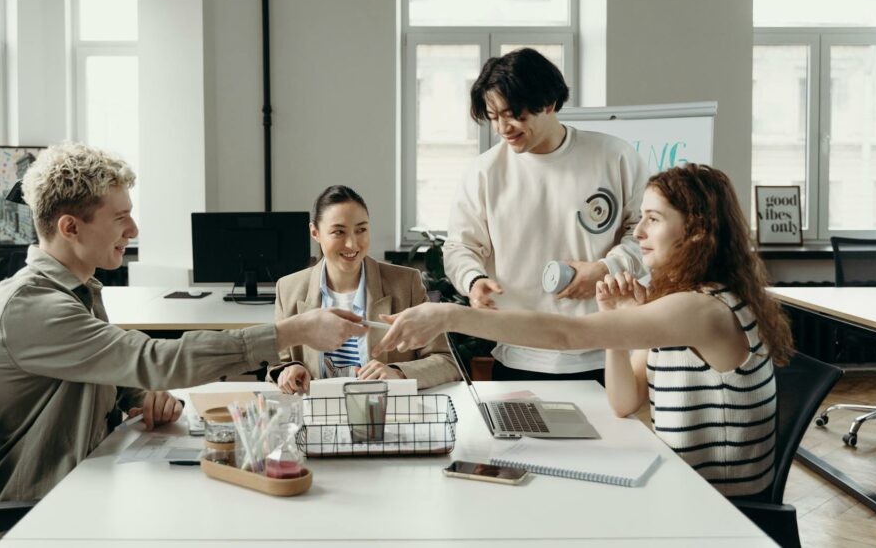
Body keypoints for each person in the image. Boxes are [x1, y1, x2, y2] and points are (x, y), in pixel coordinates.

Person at [0, 144, 366, 504]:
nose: (134, 230)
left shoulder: (79, 289)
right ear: (70, 228)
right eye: (120, 218)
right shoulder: (31, 307)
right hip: (38, 508)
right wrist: (292, 331)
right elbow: (153, 359)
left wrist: (138, 398)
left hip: (89, 477)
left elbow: (107, 370)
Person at [376, 164, 795, 497]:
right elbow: (624, 403)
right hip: (687, 490)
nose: (639, 233)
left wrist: (449, 315)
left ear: (697, 232)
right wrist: (618, 325)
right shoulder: (686, 302)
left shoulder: (703, 308)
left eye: (653, 219)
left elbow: (566, 335)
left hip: (716, 509)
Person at [444, 48, 648, 385]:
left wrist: (605, 269)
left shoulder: (615, 157)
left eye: (513, 115)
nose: (503, 127)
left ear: (549, 103)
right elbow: (459, 247)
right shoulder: (484, 172)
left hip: (603, 351)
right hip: (519, 353)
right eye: (494, 116)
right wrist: (473, 281)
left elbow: (645, 235)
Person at [267, 185, 458, 393]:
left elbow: (446, 361)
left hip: (385, 415)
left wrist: (399, 373)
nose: (352, 243)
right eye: (338, 232)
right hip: (317, 417)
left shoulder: (406, 283)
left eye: (361, 230)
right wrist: (289, 370)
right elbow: (277, 364)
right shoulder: (288, 289)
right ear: (315, 233)